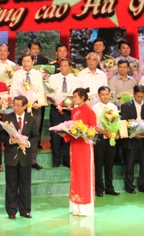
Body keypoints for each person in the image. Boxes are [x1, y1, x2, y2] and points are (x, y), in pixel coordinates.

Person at [0, 95, 40, 219]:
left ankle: (25, 210)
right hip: (11, 156)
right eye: (14, 105)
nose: (15, 107)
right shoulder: (7, 118)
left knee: (25, 185)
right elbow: (1, 135)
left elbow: (36, 137)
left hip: (25, 157)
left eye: (18, 105)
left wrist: (27, 143)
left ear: (25, 106)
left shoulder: (31, 120)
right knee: (11, 185)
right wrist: (10, 140)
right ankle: (11, 210)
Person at [64, 88, 97, 216]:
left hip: (85, 146)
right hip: (75, 146)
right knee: (75, 174)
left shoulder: (90, 112)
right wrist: (65, 132)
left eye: (75, 97)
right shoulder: (74, 111)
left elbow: (93, 130)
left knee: (85, 174)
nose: (73, 99)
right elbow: (72, 128)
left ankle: (85, 206)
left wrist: (83, 133)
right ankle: (76, 206)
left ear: (83, 98)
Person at [10, 52, 45, 170]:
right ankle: (19, 158)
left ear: (33, 62)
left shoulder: (37, 74)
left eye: (28, 61)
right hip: (21, 109)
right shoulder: (17, 75)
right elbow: (13, 91)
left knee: (34, 134)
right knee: (20, 132)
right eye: (24, 61)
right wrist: (21, 103)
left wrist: (37, 103)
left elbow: (40, 91)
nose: (26, 63)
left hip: (35, 108)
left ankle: (33, 160)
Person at [121, 84, 144, 194]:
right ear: (133, 94)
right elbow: (124, 122)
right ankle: (129, 186)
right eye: (138, 96)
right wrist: (133, 132)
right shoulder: (126, 106)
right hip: (132, 138)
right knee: (129, 164)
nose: (140, 99)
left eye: (142, 96)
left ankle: (143, 185)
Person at [48, 58, 81, 168]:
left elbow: (78, 96)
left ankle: (67, 159)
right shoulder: (52, 78)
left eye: (65, 66)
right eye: (61, 65)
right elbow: (48, 93)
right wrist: (56, 103)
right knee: (55, 134)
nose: (63, 68)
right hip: (55, 109)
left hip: (69, 110)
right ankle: (56, 160)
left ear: (70, 67)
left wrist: (73, 105)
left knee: (68, 133)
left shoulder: (76, 80)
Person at [91, 86, 119, 197]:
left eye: (107, 94)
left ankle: (109, 188)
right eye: (102, 94)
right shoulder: (94, 108)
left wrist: (116, 133)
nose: (105, 97)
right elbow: (93, 126)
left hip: (111, 138)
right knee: (99, 164)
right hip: (99, 137)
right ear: (99, 95)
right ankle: (99, 189)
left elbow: (117, 122)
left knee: (110, 164)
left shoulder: (114, 107)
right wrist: (104, 132)